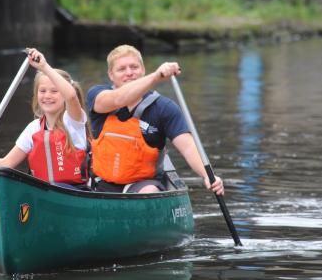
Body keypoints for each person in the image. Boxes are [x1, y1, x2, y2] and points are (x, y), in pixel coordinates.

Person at [87, 44, 224, 195]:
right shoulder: (97, 95)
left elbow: (187, 146)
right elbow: (118, 99)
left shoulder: (164, 108)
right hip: (101, 184)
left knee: (149, 191)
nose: (129, 73)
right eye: (121, 69)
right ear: (111, 75)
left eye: (134, 67)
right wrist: (156, 76)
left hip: (142, 184)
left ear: (143, 70)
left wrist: (207, 175)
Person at [0, 48, 90, 188]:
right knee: (4, 180)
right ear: (36, 95)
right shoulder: (33, 128)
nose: (47, 96)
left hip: (74, 191)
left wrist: (44, 67)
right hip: (43, 192)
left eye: (54, 91)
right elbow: (7, 164)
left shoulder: (74, 121)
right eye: (42, 91)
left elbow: (71, 96)